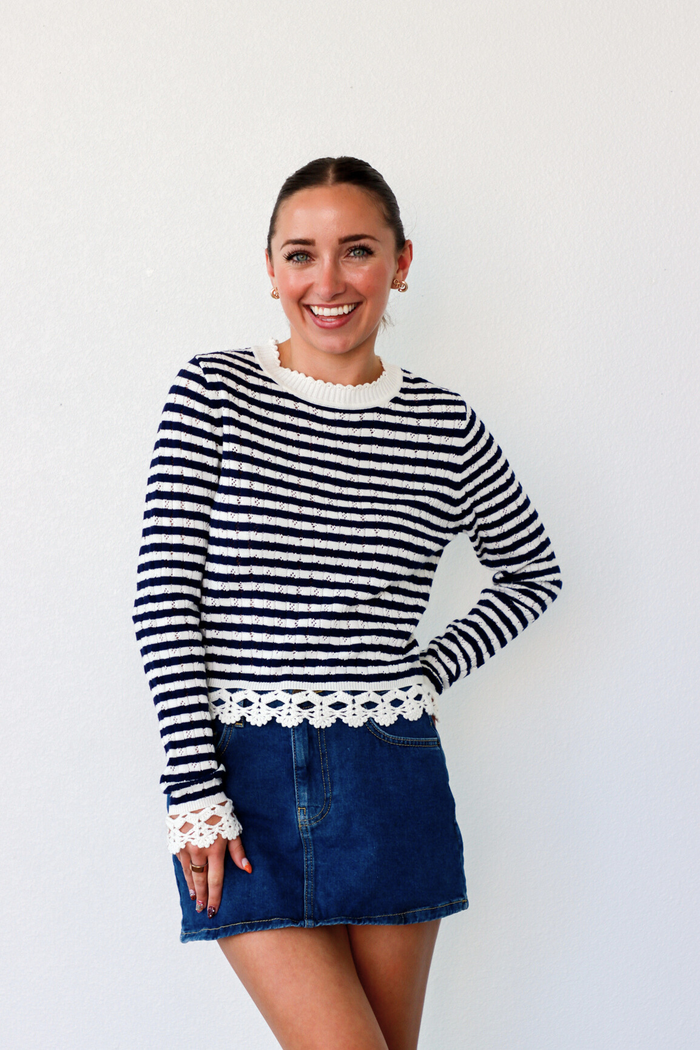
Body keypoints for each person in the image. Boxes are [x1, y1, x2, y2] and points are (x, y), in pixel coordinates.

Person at [134, 156, 562, 1050]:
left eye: (357, 250)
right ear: (271, 269)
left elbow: (531, 572)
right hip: (242, 785)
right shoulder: (214, 392)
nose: (327, 282)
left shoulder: (444, 425)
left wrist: (424, 670)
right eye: (301, 254)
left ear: (400, 263)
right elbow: (165, 598)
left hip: (389, 772)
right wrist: (195, 792)